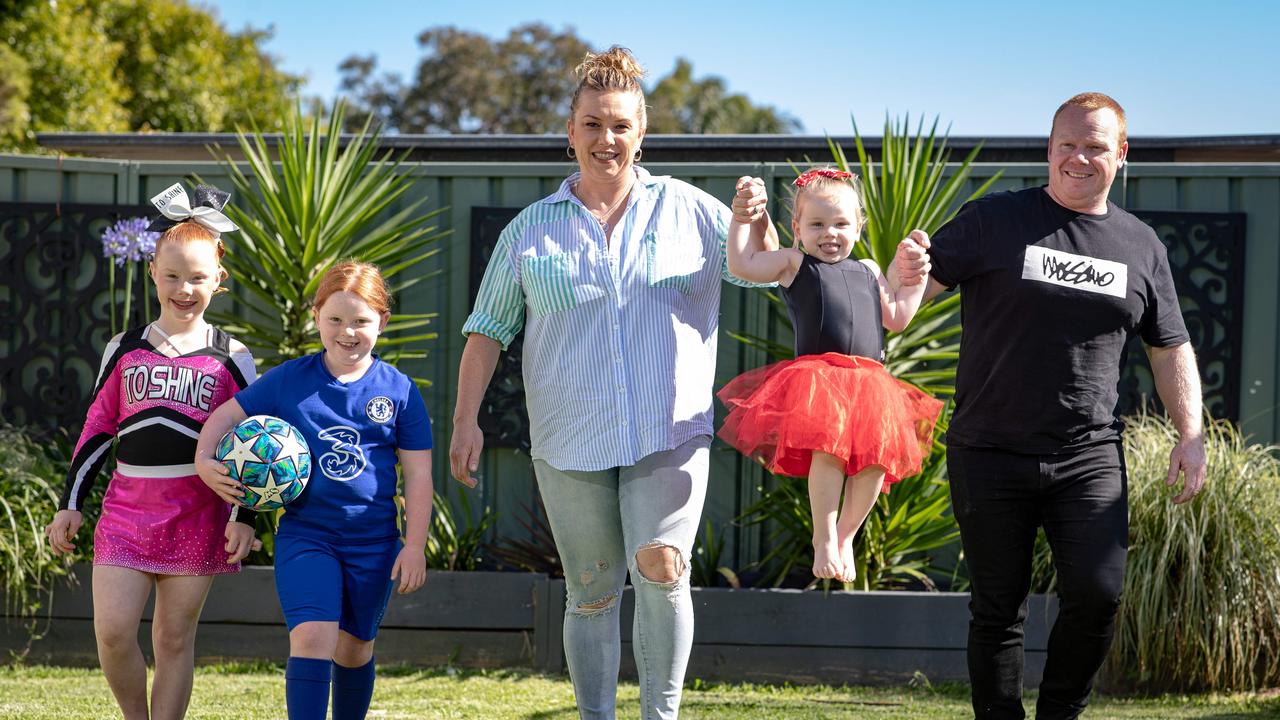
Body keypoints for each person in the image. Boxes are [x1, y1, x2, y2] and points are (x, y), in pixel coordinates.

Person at [448, 46, 777, 720]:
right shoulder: (529, 232)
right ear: (570, 131)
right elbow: (486, 331)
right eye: (593, 124)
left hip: (670, 429)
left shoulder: (691, 211)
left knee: (661, 564)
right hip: (569, 435)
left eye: (620, 125)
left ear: (642, 131)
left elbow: (760, 266)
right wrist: (464, 420)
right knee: (592, 589)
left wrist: (759, 216)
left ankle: (660, 715)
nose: (607, 139)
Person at [897, 92, 1207, 720]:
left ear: (1121, 154)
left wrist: (1191, 432)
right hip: (989, 449)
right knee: (997, 608)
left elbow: (1169, 343)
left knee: (1098, 595)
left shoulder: (1140, 245)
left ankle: (1060, 713)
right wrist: (899, 275)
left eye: (1095, 145)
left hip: (1087, 454)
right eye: (1066, 143)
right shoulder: (993, 221)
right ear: (1048, 148)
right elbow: (902, 306)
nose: (1078, 157)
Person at [45, 182, 260, 720]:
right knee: (114, 633)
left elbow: (253, 446)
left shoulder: (232, 357)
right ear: (152, 274)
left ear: (219, 281)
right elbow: (97, 427)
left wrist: (245, 515)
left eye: (197, 278)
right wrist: (71, 502)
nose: (184, 289)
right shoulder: (124, 347)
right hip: (126, 510)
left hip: (198, 511)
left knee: (172, 638)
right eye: (172, 276)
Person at [196, 261, 434, 720]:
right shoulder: (291, 379)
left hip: (375, 543)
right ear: (316, 316)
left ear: (382, 323)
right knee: (313, 637)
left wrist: (416, 545)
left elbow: (419, 476)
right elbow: (225, 417)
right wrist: (206, 461)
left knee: (354, 650)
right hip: (308, 535)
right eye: (336, 320)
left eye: (361, 321)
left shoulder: (399, 391)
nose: (348, 332)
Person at [716, 168, 943, 583]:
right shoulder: (794, 262)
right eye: (816, 224)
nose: (830, 234)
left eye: (841, 224)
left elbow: (897, 318)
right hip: (820, 379)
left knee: (875, 463)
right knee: (830, 452)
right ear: (797, 228)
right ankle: (823, 537)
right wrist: (741, 218)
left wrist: (914, 274)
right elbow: (742, 263)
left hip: (871, 382)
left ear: (859, 225)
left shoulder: (871, 269)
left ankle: (845, 537)